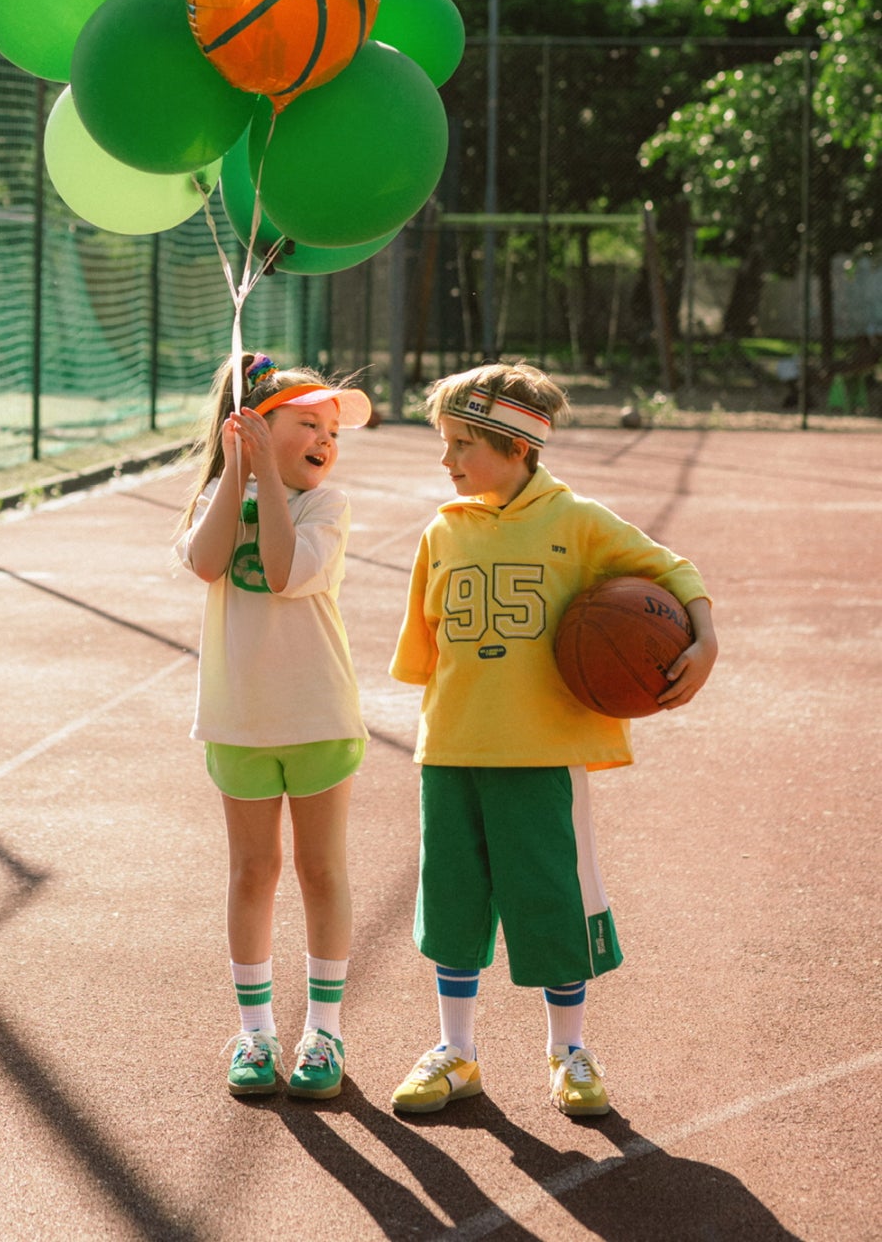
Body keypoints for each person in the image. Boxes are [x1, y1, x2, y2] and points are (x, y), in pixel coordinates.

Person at [388, 361, 717, 1120]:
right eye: (445, 441)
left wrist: (706, 640)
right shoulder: (442, 530)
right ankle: (457, 1052)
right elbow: (425, 654)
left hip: (540, 756)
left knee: (552, 903)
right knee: (452, 907)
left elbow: (673, 570)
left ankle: (569, 1050)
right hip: (451, 752)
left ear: (515, 446)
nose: (446, 458)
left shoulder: (578, 521)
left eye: (462, 443)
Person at [177, 350, 373, 1100]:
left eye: (333, 431)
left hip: (318, 715)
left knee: (321, 872)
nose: (326, 439)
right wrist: (238, 469)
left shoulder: (327, 507)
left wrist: (265, 472)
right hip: (238, 720)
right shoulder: (219, 497)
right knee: (252, 872)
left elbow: (285, 570)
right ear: (257, 426)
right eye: (309, 424)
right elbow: (206, 563)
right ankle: (255, 1033)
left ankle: (323, 1032)